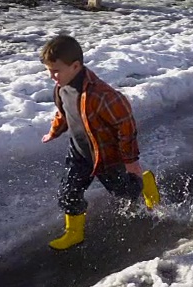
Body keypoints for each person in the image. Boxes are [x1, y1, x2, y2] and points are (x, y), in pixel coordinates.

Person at [40, 34, 160, 250]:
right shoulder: (61, 87)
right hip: (79, 153)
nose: (52, 76)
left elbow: (126, 125)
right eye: (49, 71)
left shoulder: (102, 95)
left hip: (105, 156)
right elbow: (64, 112)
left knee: (125, 192)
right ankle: (74, 233)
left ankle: (145, 181)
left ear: (75, 66)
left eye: (55, 70)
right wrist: (55, 131)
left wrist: (131, 160)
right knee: (68, 193)